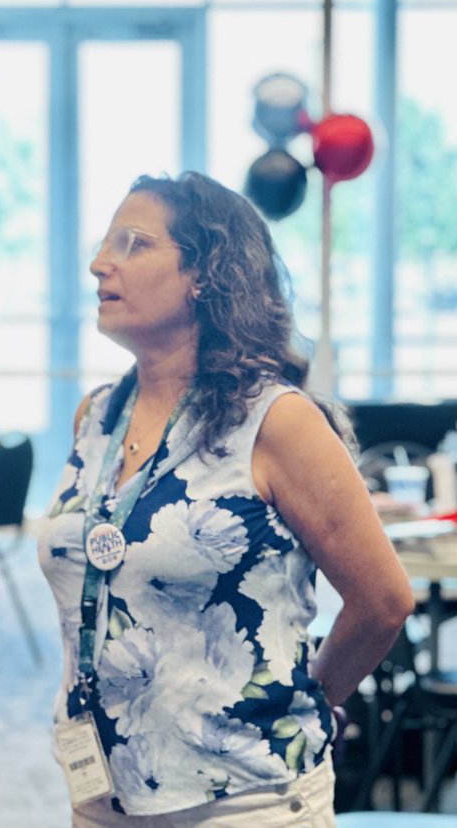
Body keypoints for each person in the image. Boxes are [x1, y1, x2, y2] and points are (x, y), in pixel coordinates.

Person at [38, 172, 415, 825]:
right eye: (105, 244)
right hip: (104, 792)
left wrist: (303, 702)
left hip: (245, 797)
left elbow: (383, 601)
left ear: (204, 275)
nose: (100, 264)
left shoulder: (276, 421)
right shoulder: (96, 417)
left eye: (134, 244)